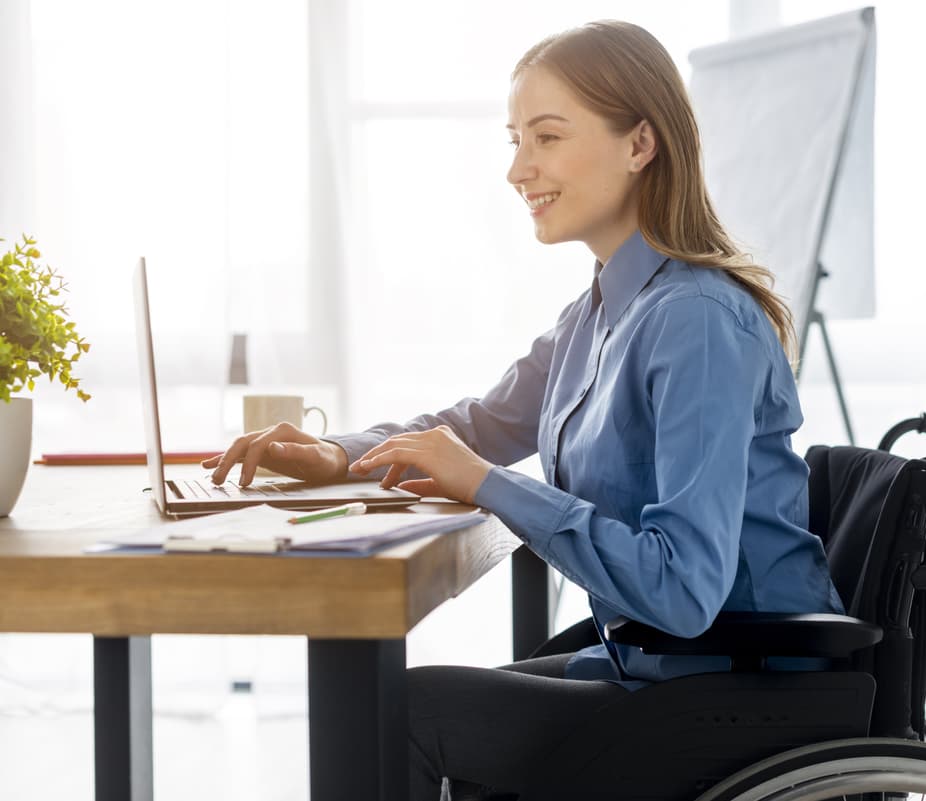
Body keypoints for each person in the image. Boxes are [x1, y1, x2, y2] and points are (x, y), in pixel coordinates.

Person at [203, 19, 844, 800]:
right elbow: (479, 425)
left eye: (545, 138)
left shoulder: (698, 320)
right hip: (656, 663)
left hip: (737, 688)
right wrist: (338, 453)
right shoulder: (599, 311)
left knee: (404, 714)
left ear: (640, 144)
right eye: (514, 140)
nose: (517, 170)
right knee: (413, 709)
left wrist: (487, 484)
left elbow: (683, 587)